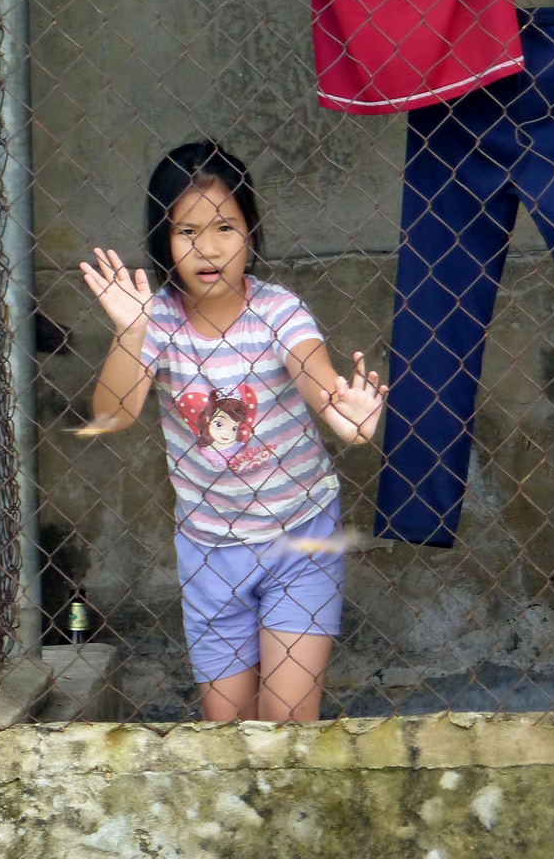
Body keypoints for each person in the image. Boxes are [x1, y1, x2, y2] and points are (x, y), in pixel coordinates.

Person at [80, 142, 386, 722]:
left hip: (300, 539)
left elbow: (314, 372)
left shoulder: (278, 310)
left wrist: (343, 411)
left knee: (289, 724)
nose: (209, 247)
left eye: (225, 226)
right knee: (229, 735)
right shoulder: (160, 320)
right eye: (186, 230)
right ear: (163, 241)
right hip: (209, 551)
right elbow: (114, 413)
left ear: (251, 232)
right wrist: (131, 330)